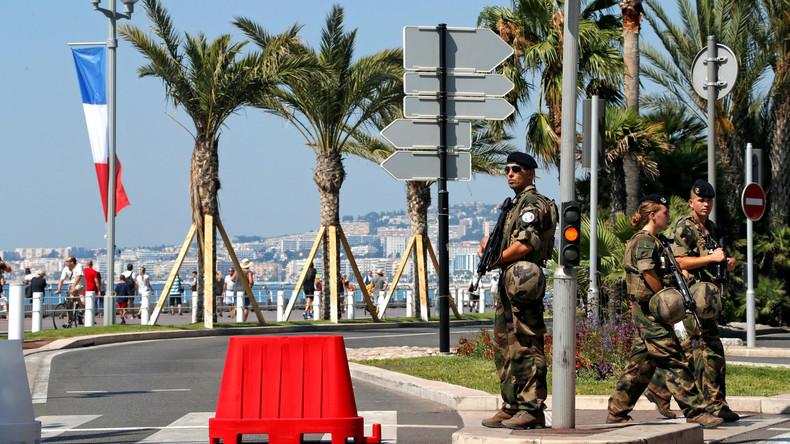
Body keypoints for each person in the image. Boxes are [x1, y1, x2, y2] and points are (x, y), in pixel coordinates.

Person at [606, 194, 723, 428]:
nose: (668, 217)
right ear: (653, 215)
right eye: (665, 213)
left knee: (641, 363)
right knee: (674, 360)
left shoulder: (657, 240)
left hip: (651, 310)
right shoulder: (644, 241)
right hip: (649, 310)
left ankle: (617, 411)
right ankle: (696, 410)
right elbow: (648, 274)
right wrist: (665, 301)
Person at [645, 180, 739, 423]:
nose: (705, 204)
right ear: (691, 203)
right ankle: (714, 405)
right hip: (689, 298)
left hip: (707, 301)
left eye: (709, 200)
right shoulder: (684, 228)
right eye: (701, 200)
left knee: (703, 352)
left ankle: (659, 388)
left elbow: (716, 257)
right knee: (703, 352)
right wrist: (709, 259)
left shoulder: (715, 230)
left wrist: (726, 262)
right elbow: (679, 262)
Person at [480, 152, 557, 430]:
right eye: (507, 169)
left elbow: (527, 244)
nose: (510, 173)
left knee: (526, 343)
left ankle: (531, 408)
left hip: (525, 280)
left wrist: (496, 259)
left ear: (530, 173)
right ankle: (512, 405)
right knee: (504, 347)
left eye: (516, 169)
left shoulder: (532, 203)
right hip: (510, 280)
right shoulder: (514, 205)